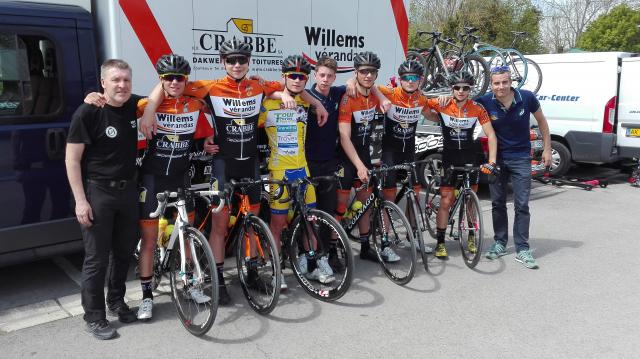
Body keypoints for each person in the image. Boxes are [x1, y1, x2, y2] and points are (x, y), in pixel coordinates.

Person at [138, 39, 327, 301]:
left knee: (252, 222)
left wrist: (307, 101)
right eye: (231, 60)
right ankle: (219, 282)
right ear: (222, 62)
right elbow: (169, 84)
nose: (237, 65)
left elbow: (290, 88)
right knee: (220, 226)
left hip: (249, 164)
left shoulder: (257, 85)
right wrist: (149, 111)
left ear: (249, 62)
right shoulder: (210, 87)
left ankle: (250, 273)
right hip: (223, 165)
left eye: (241, 60)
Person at [135, 54, 215, 320]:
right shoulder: (148, 105)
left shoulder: (194, 103)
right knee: (148, 241)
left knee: (187, 236)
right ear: (161, 80)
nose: (174, 82)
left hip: (181, 178)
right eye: (168, 78)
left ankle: (190, 285)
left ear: (186, 79)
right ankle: (146, 297)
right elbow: (119, 102)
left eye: (179, 77)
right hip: (153, 178)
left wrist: (208, 141)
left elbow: (209, 128)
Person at [65, 59, 140, 340]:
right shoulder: (88, 112)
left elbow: (164, 91)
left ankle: (116, 302)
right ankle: (94, 316)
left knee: (123, 253)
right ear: (103, 83)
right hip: (99, 193)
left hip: (128, 191)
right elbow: (72, 160)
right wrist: (80, 201)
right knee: (96, 258)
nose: (121, 85)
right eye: (115, 80)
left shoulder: (135, 104)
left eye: (126, 80)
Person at [259, 54, 334, 286]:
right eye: (292, 76)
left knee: (310, 221)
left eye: (301, 76)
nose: (297, 80)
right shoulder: (267, 102)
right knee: (277, 225)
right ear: (284, 77)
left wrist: (319, 103)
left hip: (303, 171)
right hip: (278, 173)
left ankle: (312, 265)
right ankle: (276, 271)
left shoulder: (305, 100)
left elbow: (305, 94)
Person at [475, 66, 551, 269]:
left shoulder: (526, 98)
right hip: (497, 160)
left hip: (520, 158)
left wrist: (547, 149)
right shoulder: (484, 101)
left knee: (522, 205)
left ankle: (522, 248)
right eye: (496, 83)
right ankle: (500, 242)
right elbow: (460, 102)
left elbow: (542, 123)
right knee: (498, 203)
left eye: (504, 82)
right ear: (491, 84)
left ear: (511, 82)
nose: (501, 86)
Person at [426, 71, 497, 259]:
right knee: (446, 201)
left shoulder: (477, 108)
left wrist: (492, 161)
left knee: (470, 202)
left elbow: (491, 135)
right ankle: (440, 243)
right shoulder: (443, 104)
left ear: (470, 90)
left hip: (470, 156)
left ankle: (472, 237)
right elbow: (421, 103)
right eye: (457, 87)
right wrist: (436, 99)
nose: (461, 91)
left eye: (465, 88)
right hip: (450, 158)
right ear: (452, 89)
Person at [337, 51, 400, 263]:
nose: (368, 75)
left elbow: (398, 90)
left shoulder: (374, 94)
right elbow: (344, 137)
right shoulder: (348, 96)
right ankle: (332, 249)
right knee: (340, 205)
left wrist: (381, 95)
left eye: (372, 72)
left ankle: (364, 246)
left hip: (364, 154)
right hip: (346, 157)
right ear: (356, 72)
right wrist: (358, 165)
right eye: (363, 71)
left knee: (365, 202)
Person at [375, 59, 438, 254]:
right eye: (406, 78)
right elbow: (363, 84)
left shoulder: (422, 99)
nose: (410, 81)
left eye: (414, 78)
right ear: (400, 80)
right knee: (390, 196)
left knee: (415, 194)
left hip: (410, 151)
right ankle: (385, 241)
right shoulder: (391, 93)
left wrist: (448, 110)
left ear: (420, 80)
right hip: (389, 152)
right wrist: (380, 96)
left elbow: (431, 116)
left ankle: (414, 237)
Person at [304, 56, 347, 270]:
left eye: (330, 76)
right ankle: (308, 256)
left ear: (334, 77)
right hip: (308, 163)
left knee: (328, 213)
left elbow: (358, 82)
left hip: (329, 162)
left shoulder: (338, 93)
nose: (325, 79)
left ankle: (327, 254)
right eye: (322, 75)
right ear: (315, 75)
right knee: (309, 214)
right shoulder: (306, 95)